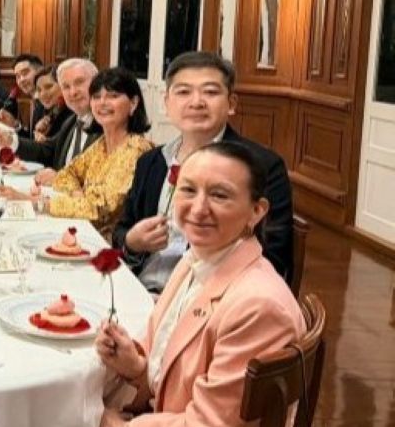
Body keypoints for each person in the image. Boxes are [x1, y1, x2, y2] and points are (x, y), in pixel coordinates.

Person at [64, 141, 307, 427]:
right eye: (189, 190)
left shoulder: (258, 304)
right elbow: (175, 365)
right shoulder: (198, 259)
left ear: (256, 211)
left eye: (220, 195)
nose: (198, 208)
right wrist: (138, 369)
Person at [112, 51, 294, 292]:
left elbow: (275, 258)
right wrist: (132, 242)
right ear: (167, 103)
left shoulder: (260, 165)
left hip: (211, 299)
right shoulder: (150, 162)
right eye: (183, 92)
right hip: (139, 289)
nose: (196, 102)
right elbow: (122, 231)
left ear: (231, 104)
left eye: (210, 92)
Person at [0, 67, 153, 240]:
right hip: (84, 231)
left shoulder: (135, 149)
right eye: (96, 96)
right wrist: (79, 194)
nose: (102, 103)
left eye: (113, 96)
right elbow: (66, 174)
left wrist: (32, 201)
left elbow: (98, 211)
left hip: (107, 245)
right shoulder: (102, 144)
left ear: (133, 103)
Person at [0, 57, 99, 181]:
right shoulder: (73, 121)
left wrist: (60, 179)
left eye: (79, 82)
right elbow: (47, 151)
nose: (73, 92)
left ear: (97, 83)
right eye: (66, 86)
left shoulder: (106, 127)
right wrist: (11, 140)